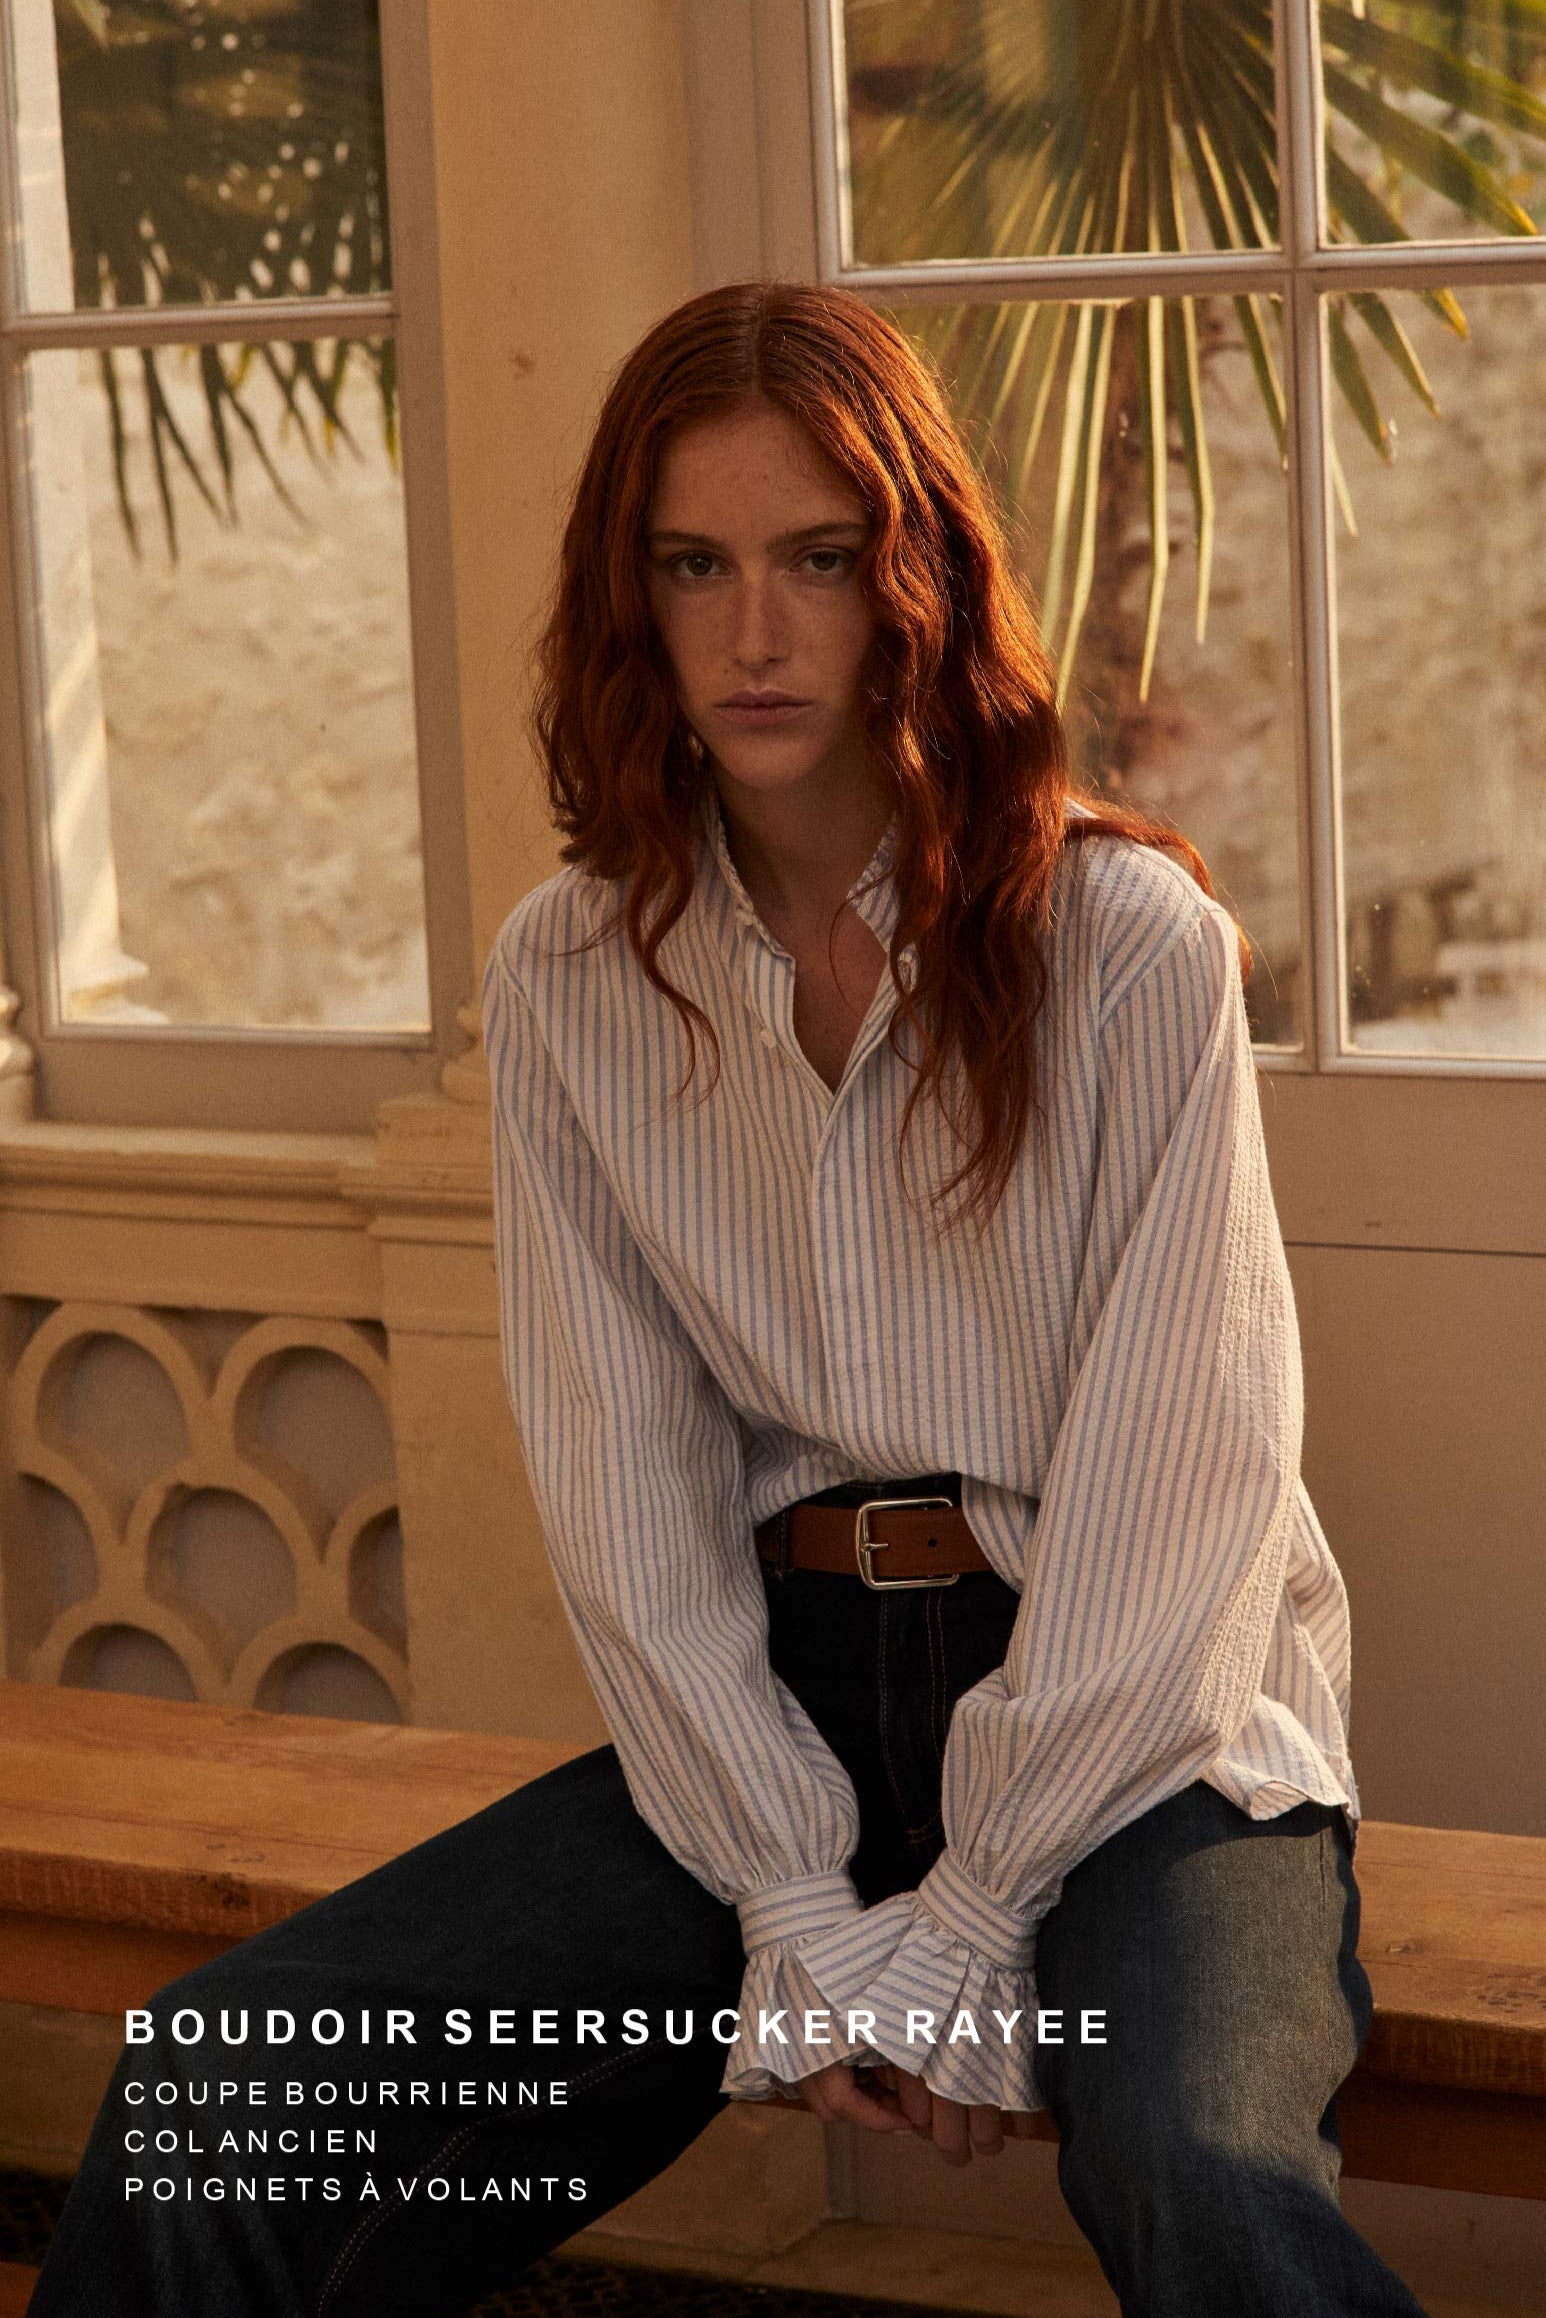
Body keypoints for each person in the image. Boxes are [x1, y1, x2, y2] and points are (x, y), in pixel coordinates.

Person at [24, 282, 1432, 2318]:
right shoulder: (573, 977)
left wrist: (964, 1915)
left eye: (814, 562)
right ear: (632, 594)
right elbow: (626, 1483)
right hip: (763, 1716)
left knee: (1196, 2161)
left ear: (909, 582)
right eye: (693, 565)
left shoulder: (1121, 943)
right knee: (216, 2091)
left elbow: (1185, 1471)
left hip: (1144, 1720)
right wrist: (792, 1892)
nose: (753, 633)